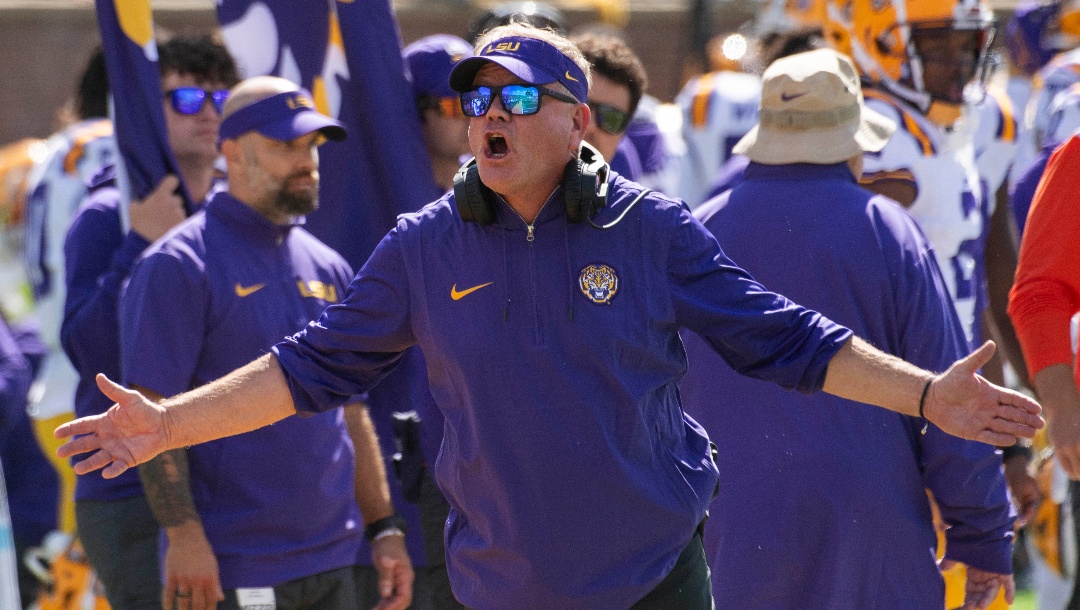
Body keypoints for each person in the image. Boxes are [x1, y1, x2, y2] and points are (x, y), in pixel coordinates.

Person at [56, 23, 1043, 610]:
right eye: (475, 95)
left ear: (579, 121)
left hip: (656, 580)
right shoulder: (421, 246)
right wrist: (167, 421)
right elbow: (306, 370)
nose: (490, 110)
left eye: (519, 95)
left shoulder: (653, 230)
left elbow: (792, 340)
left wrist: (928, 397)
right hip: (502, 590)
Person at [680, 48, 1016, 609]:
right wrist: (982, 535)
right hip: (870, 525)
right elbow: (955, 396)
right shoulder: (890, 232)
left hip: (723, 523)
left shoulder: (696, 231)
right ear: (854, 142)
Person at [119, 76, 412, 610]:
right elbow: (152, 416)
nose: (306, 161)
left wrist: (384, 528)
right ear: (229, 151)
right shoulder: (177, 265)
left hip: (334, 556)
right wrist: (185, 539)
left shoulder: (329, 264)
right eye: (284, 146)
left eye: (311, 146)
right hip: (234, 564)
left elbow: (352, 411)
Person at [60, 35, 238, 610]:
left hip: (222, 486)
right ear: (140, 109)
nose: (209, 111)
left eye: (220, 97)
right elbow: (89, 351)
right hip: (129, 489)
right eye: (186, 99)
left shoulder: (237, 213)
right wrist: (142, 242)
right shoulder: (103, 216)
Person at [401, 33, 475, 610]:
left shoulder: (491, 199)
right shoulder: (391, 211)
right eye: (453, 106)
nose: (470, 118)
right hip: (414, 468)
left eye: (476, 101)